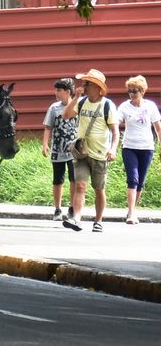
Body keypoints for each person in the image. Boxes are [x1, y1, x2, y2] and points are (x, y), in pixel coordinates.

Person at [61, 69, 119, 232]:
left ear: (97, 87)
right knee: (80, 185)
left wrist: (113, 149)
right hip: (82, 152)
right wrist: (77, 97)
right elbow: (66, 115)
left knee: (99, 189)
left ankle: (98, 220)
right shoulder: (81, 102)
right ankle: (77, 219)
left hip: (100, 154)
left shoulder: (107, 105)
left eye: (87, 84)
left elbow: (115, 132)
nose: (84, 86)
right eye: (84, 83)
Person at [116, 75, 161, 224]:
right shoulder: (124, 106)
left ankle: (132, 210)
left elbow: (158, 129)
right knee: (132, 179)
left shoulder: (150, 106)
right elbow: (116, 122)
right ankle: (131, 213)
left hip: (147, 147)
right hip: (129, 147)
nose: (131, 94)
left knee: (140, 182)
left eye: (134, 91)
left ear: (142, 91)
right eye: (129, 91)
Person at [41, 78, 78, 222]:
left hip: (74, 150)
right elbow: (48, 127)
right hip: (58, 149)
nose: (56, 93)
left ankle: (72, 207)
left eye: (59, 90)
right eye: (55, 90)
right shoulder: (54, 108)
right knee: (58, 180)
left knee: (74, 179)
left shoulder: (77, 106)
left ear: (68, 92)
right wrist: (45, 144)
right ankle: (57, 208)